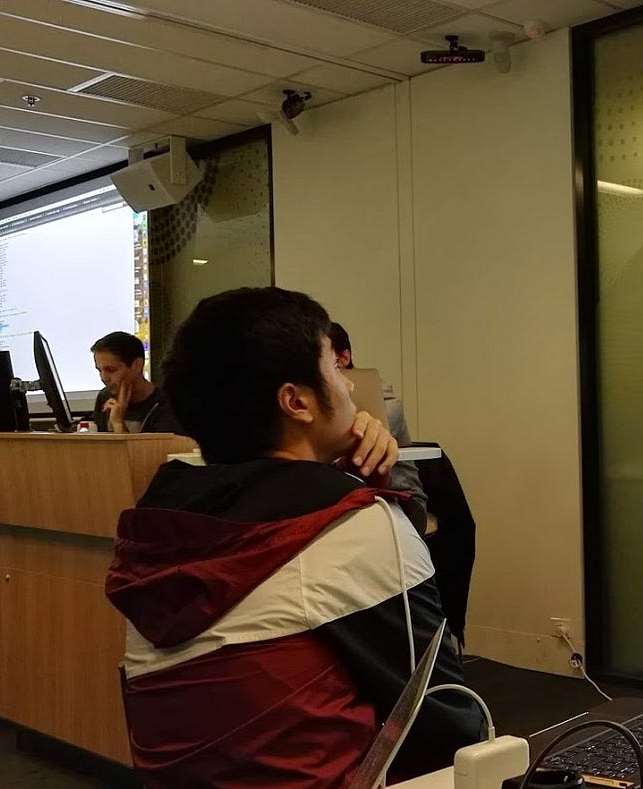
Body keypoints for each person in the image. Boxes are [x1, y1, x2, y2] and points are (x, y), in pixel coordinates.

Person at [105, 287, 483, 787]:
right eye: (335, 368)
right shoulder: (355, 528)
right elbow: (445, 718)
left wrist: (345, 482)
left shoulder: (160, 526)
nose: (349, 386)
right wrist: (362, 501)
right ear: (297, 401)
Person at [327, 321, 432, 534]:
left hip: (400, 497)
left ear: (344, 358)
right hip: (344, 494)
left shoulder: (382, 397)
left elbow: (354, 441)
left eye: (331, 366)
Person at [90, 331, 183, 434]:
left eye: (111, 370)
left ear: (137, 365)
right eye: (99, 370)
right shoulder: (104, 398)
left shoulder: (164, 406)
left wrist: (118, 423)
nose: (103, 377)